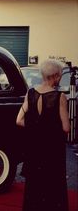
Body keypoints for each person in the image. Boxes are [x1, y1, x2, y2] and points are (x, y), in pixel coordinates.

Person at [16, 59, 70, 211]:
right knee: (53, 187)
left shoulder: (31, 93)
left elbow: (19, 120)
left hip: (34, 150)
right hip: (52, 151)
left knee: (34, 186)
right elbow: (66, 128)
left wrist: (36, 128)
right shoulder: (60, 97)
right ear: (56, 76)